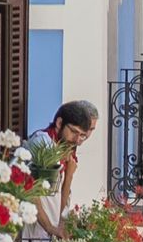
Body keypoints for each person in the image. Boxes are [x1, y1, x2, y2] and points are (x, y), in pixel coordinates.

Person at [29, 98, 99, 234]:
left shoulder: (66, 150)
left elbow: (58, 202)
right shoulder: (43, 145)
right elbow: (30, 190)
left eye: (83, 136)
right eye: (73, 132)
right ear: (59, 123)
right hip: (33, 232)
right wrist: (49, 226)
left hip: (45, 233)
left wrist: (69, 176)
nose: (77, 140)